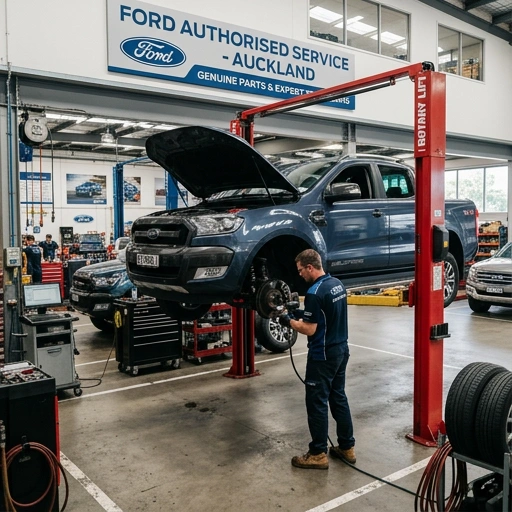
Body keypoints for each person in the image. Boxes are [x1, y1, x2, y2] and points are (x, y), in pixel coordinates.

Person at [279, 248, 355, 470]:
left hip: (322, 356)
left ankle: (318, 453)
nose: (300, 274)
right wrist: (301, 312)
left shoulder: (314, 292)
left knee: (317, 402)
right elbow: (324, 315)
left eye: (301, 270)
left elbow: (310, 329)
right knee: (338, 397)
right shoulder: (336, 284)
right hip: (341, 349)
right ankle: (347, 447)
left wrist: (288, 321)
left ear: (310, 267)